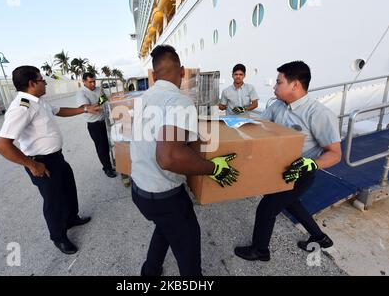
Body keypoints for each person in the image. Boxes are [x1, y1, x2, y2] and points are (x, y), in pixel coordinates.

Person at [130, 45, 239, 276]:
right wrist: (214, 168)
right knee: (188, 250)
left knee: (164, 227)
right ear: (182, 72)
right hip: (165, 196)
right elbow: (169, 157)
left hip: (140, 189)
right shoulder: (178, 102)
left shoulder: (144, 98)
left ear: (153, 75)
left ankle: (149, 272)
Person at [234, 61, 342, 262]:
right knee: (291, 203)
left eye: (278, 82)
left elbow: (335, 153)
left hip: (301, 172)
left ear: (295, 85)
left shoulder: (318, 114)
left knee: (267, 208)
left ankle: (260, 250)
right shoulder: (277, 106)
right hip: (278, 168)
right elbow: (260, 128)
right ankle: (320, 237)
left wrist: (313, 164)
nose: (274, 87)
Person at [0, 66, 98, 255]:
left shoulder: (39, 101)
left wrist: (84, 109)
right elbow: (2, 145)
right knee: (53, 201)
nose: (45, 82)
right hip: (41, 162)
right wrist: (32, 165)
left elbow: (59, 110)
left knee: (68, 188)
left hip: (56, 157)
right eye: (42, 80)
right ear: (32, 83)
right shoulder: (21, 107)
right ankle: (58, 237)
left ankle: (71, 218)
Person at [77, 73, 117, 178]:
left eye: (94, 81)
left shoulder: (99, 89)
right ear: (84, 81)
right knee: (101, 148)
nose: (93, 84)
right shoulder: (81, 93)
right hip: (94, 125)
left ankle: (108, 164)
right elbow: (90, 109)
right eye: (90, 82)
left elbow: (109, 97)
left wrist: (100, 102)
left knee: (107, 145)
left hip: (104, 121)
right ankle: (107, 168)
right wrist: (101, 102)